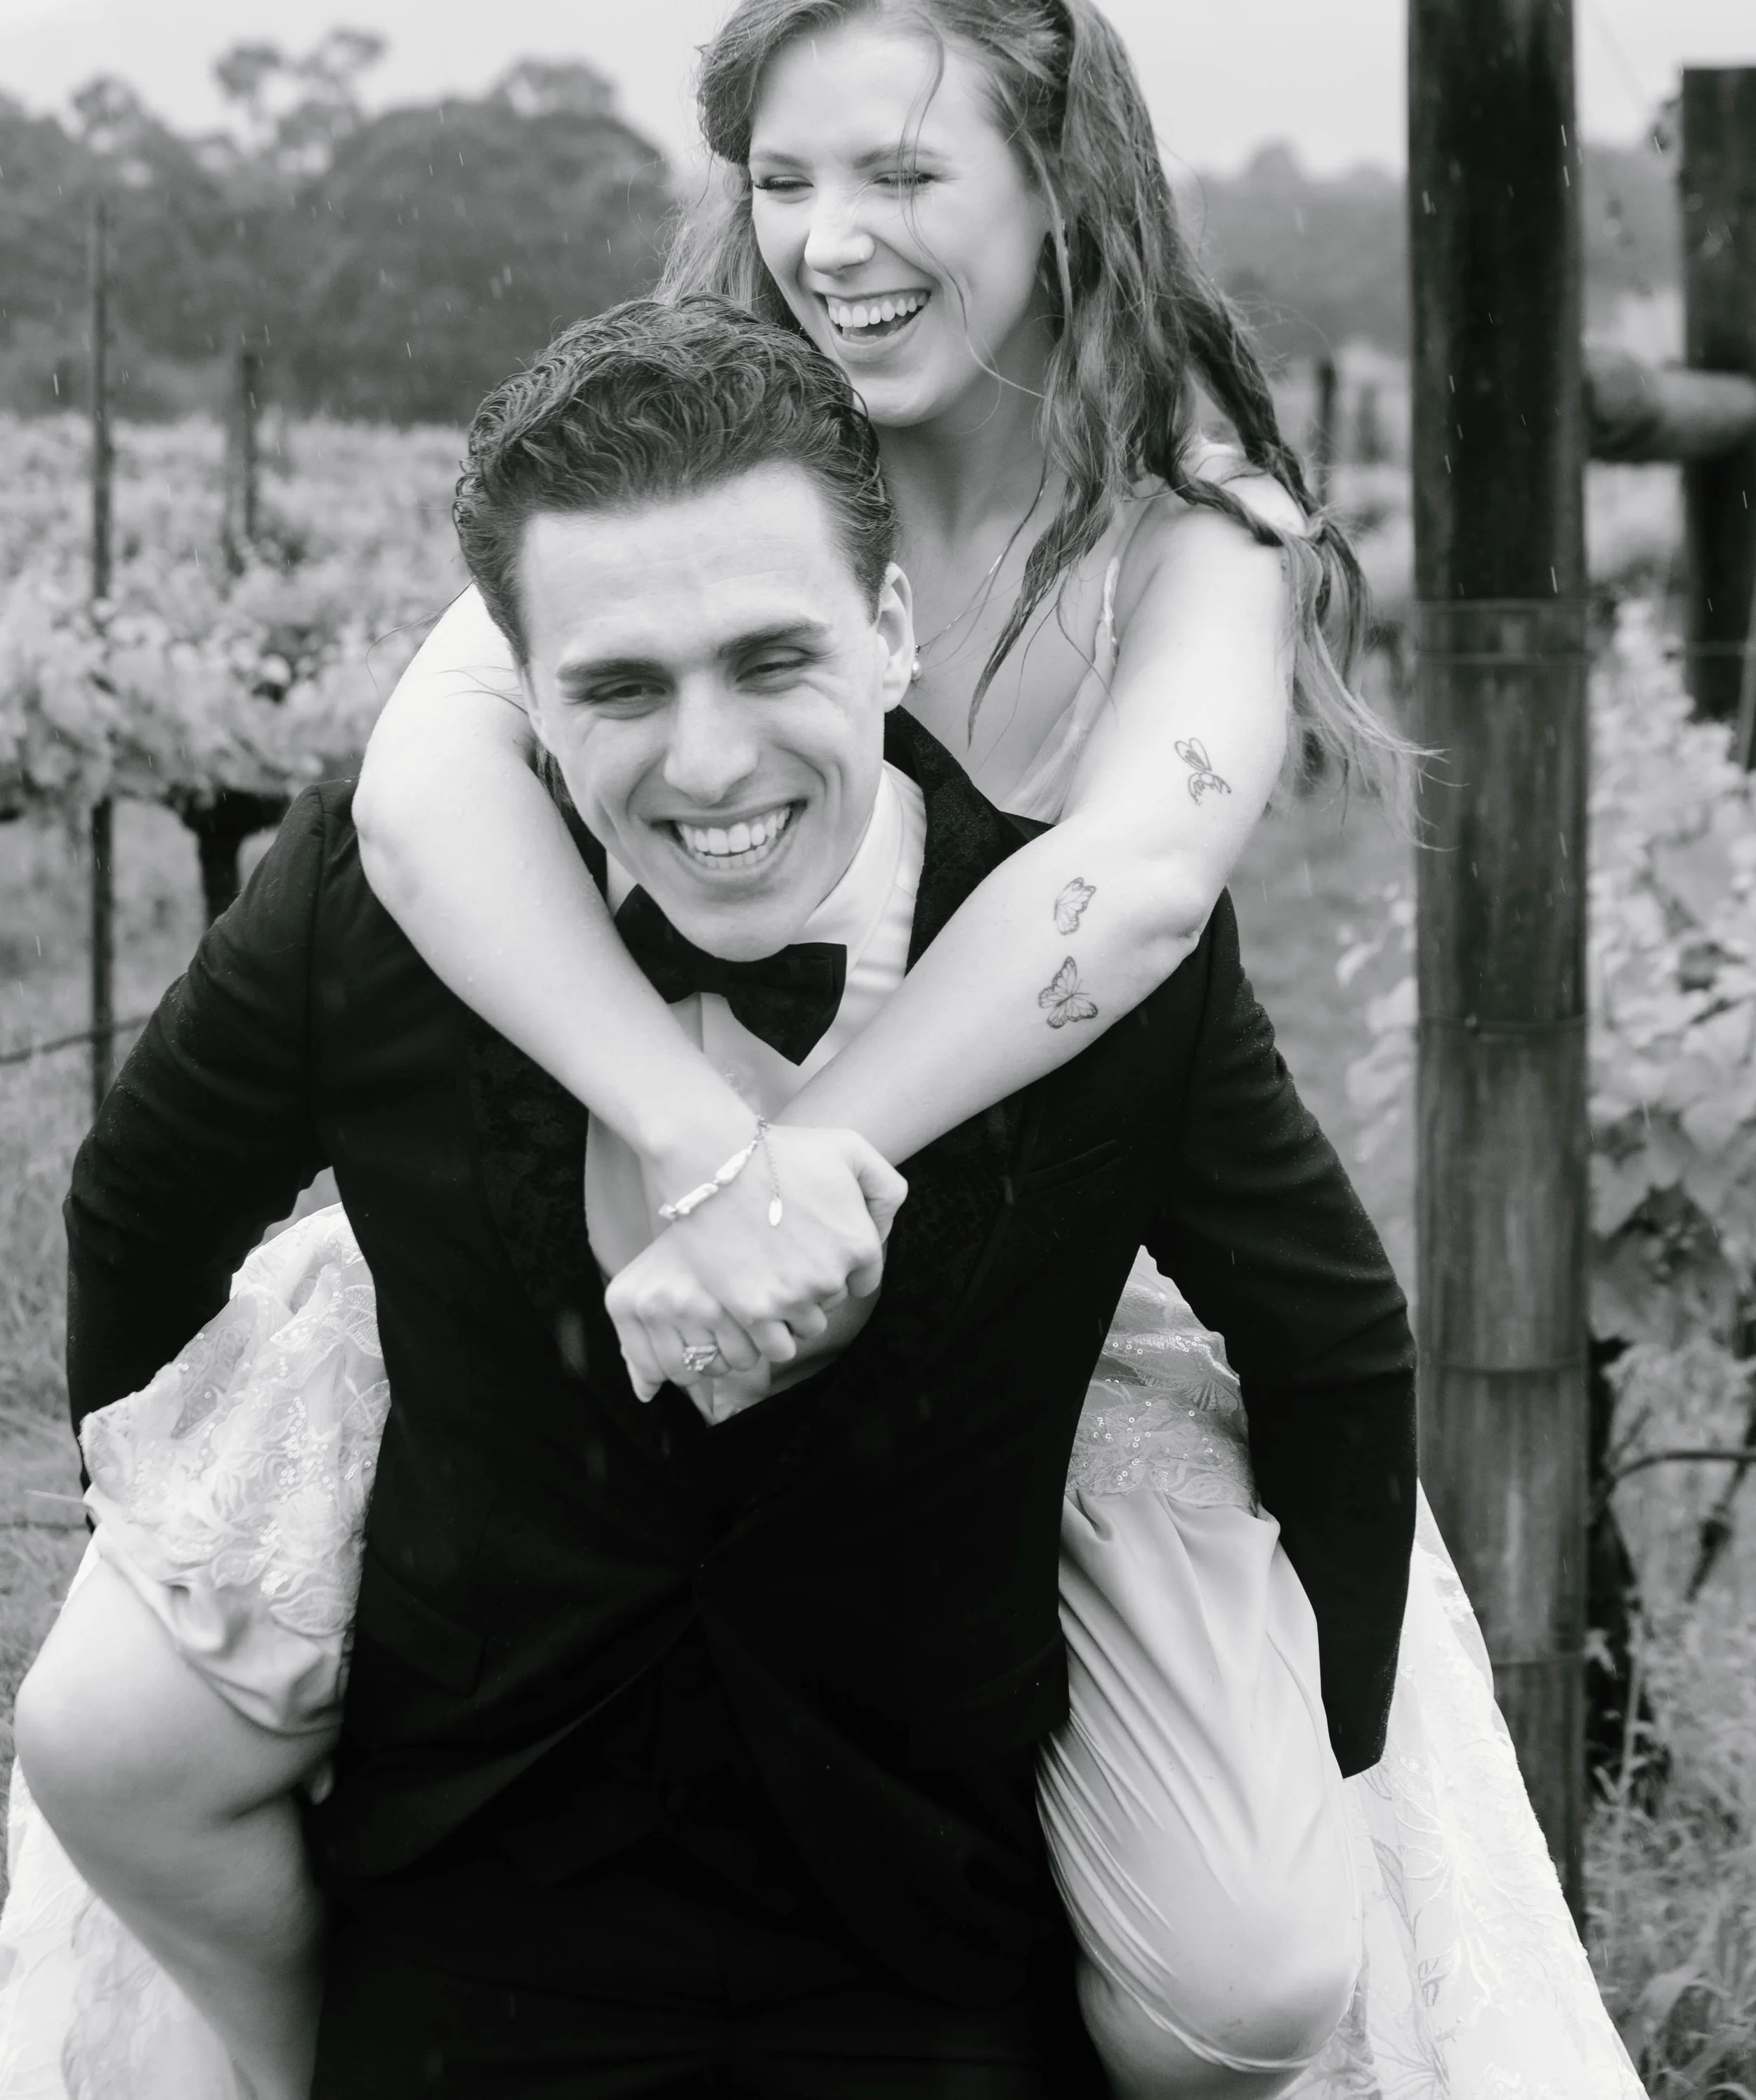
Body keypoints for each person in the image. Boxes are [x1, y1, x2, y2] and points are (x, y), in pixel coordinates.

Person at [8, 300, 1417, 2099]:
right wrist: (176, 1556)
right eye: (617, 686)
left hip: (937, 1959)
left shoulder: (1090, 964)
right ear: (520, 691)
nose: (705, 762)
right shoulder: (366, 914)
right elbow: (137, 1213)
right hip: (453, 1942)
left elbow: (1325, 1335)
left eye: (768, 661)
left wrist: (1328, 1755)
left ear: (891, 629)